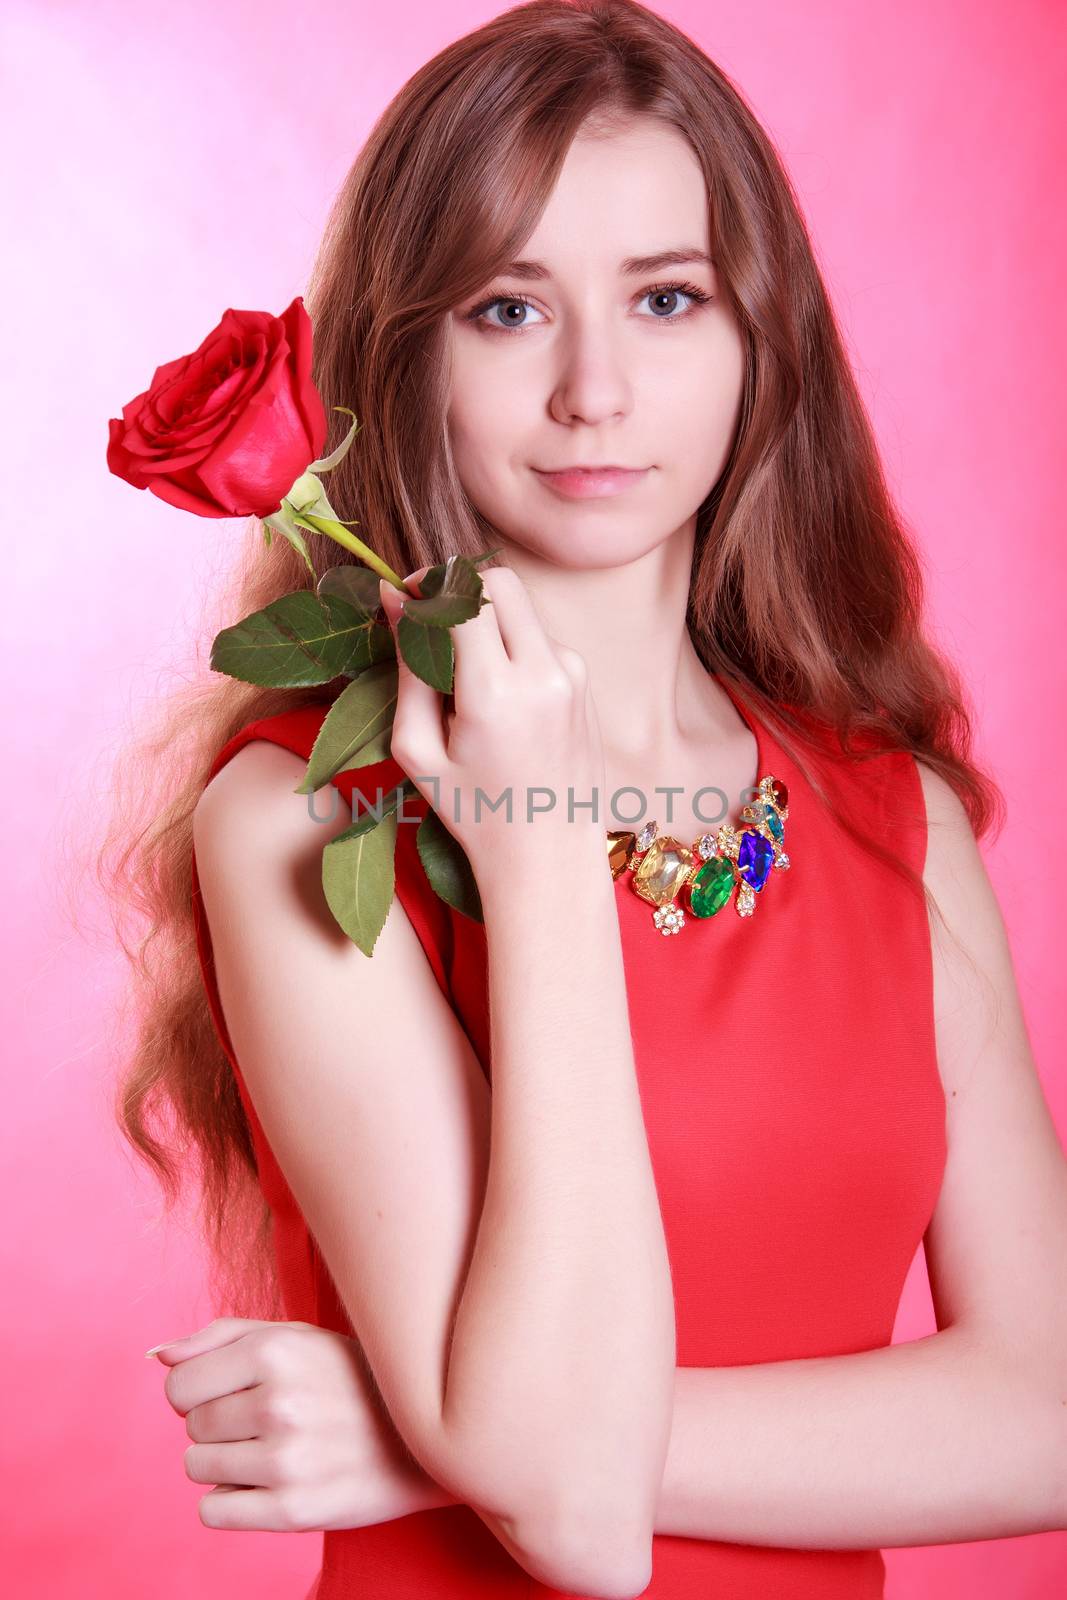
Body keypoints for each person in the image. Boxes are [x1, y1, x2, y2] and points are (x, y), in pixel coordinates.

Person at [108, 2, 1067, 1596]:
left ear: (764, 338)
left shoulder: (889, 817)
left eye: (668, 297)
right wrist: (543, 853)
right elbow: (571, 1529)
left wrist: (438, 1440)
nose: (596, 392)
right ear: (400, 350)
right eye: (507, 309)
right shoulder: (298, 816)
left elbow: (1050, 1413)